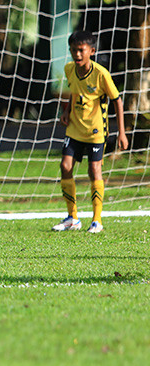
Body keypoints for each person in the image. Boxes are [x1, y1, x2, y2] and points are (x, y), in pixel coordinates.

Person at [51, 31, 128, 233]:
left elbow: (117, 101)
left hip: (96, 132)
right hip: (75, 129)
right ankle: (72, 217)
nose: (76, 54)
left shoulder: (101, 74)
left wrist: (122, 132)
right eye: (73, 50)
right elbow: (74, 93)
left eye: (81, 50)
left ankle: (96, 220)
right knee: (65, 166)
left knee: (94, 171)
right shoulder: (69, 69)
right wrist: (67, 112)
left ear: (91, 51)